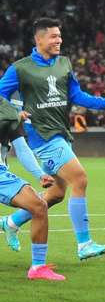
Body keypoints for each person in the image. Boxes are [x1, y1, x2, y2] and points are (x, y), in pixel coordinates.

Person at [0, 18, 105, 260]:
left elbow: (76, 95)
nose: (59, 40)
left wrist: (104, 103)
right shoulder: (20, 68)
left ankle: (11, 222)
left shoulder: (64, 64)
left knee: (55, 195)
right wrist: (15, 114)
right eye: (54, 36)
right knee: (80, 179)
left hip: (61, 134)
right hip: (43, 137)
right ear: (39, 39)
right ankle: (84, 244)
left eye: (60, 36)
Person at [0, 97, 60, 280]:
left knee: (38, 205)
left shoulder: (9, 112)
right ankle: (38, 267)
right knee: (39, 206)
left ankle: (38, 267)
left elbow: (22, 149)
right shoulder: (11, 113)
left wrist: (40, 174)